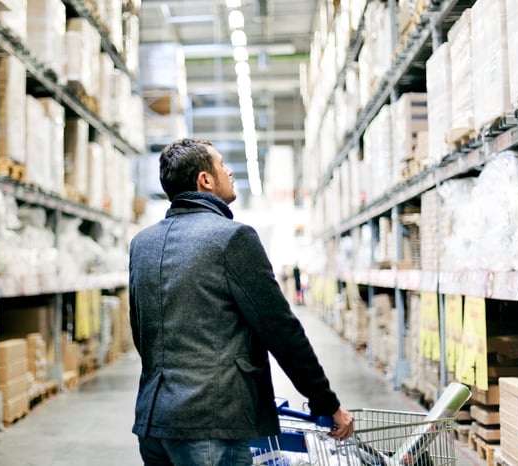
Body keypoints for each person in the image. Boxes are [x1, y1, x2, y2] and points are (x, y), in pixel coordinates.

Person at [128, 138, 353, 465]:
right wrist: (325, 403)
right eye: (221, 164)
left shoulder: (142, 244)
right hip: (212, 425)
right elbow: (280, 330)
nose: (230, 171)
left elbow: (142, 333)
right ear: (204, 180)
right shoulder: (233, 238)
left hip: (153, 423)